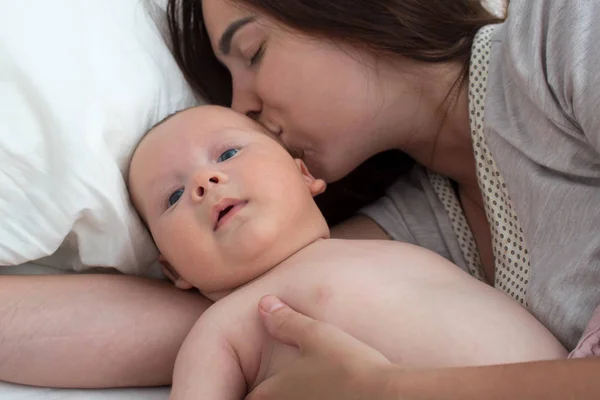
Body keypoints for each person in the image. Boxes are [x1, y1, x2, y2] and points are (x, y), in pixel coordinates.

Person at [164, 0, 600, 398]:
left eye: (252, 51)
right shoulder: (406, 232)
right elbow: (149, 325)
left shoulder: (562, 29)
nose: (241, 108)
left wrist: (388, 388)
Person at [127, 105, 565, 399]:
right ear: (173, 270)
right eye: (173, 196)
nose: (204, 182)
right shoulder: (221, 330)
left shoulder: (396, 240)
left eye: (227, 152)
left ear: (304, 174)